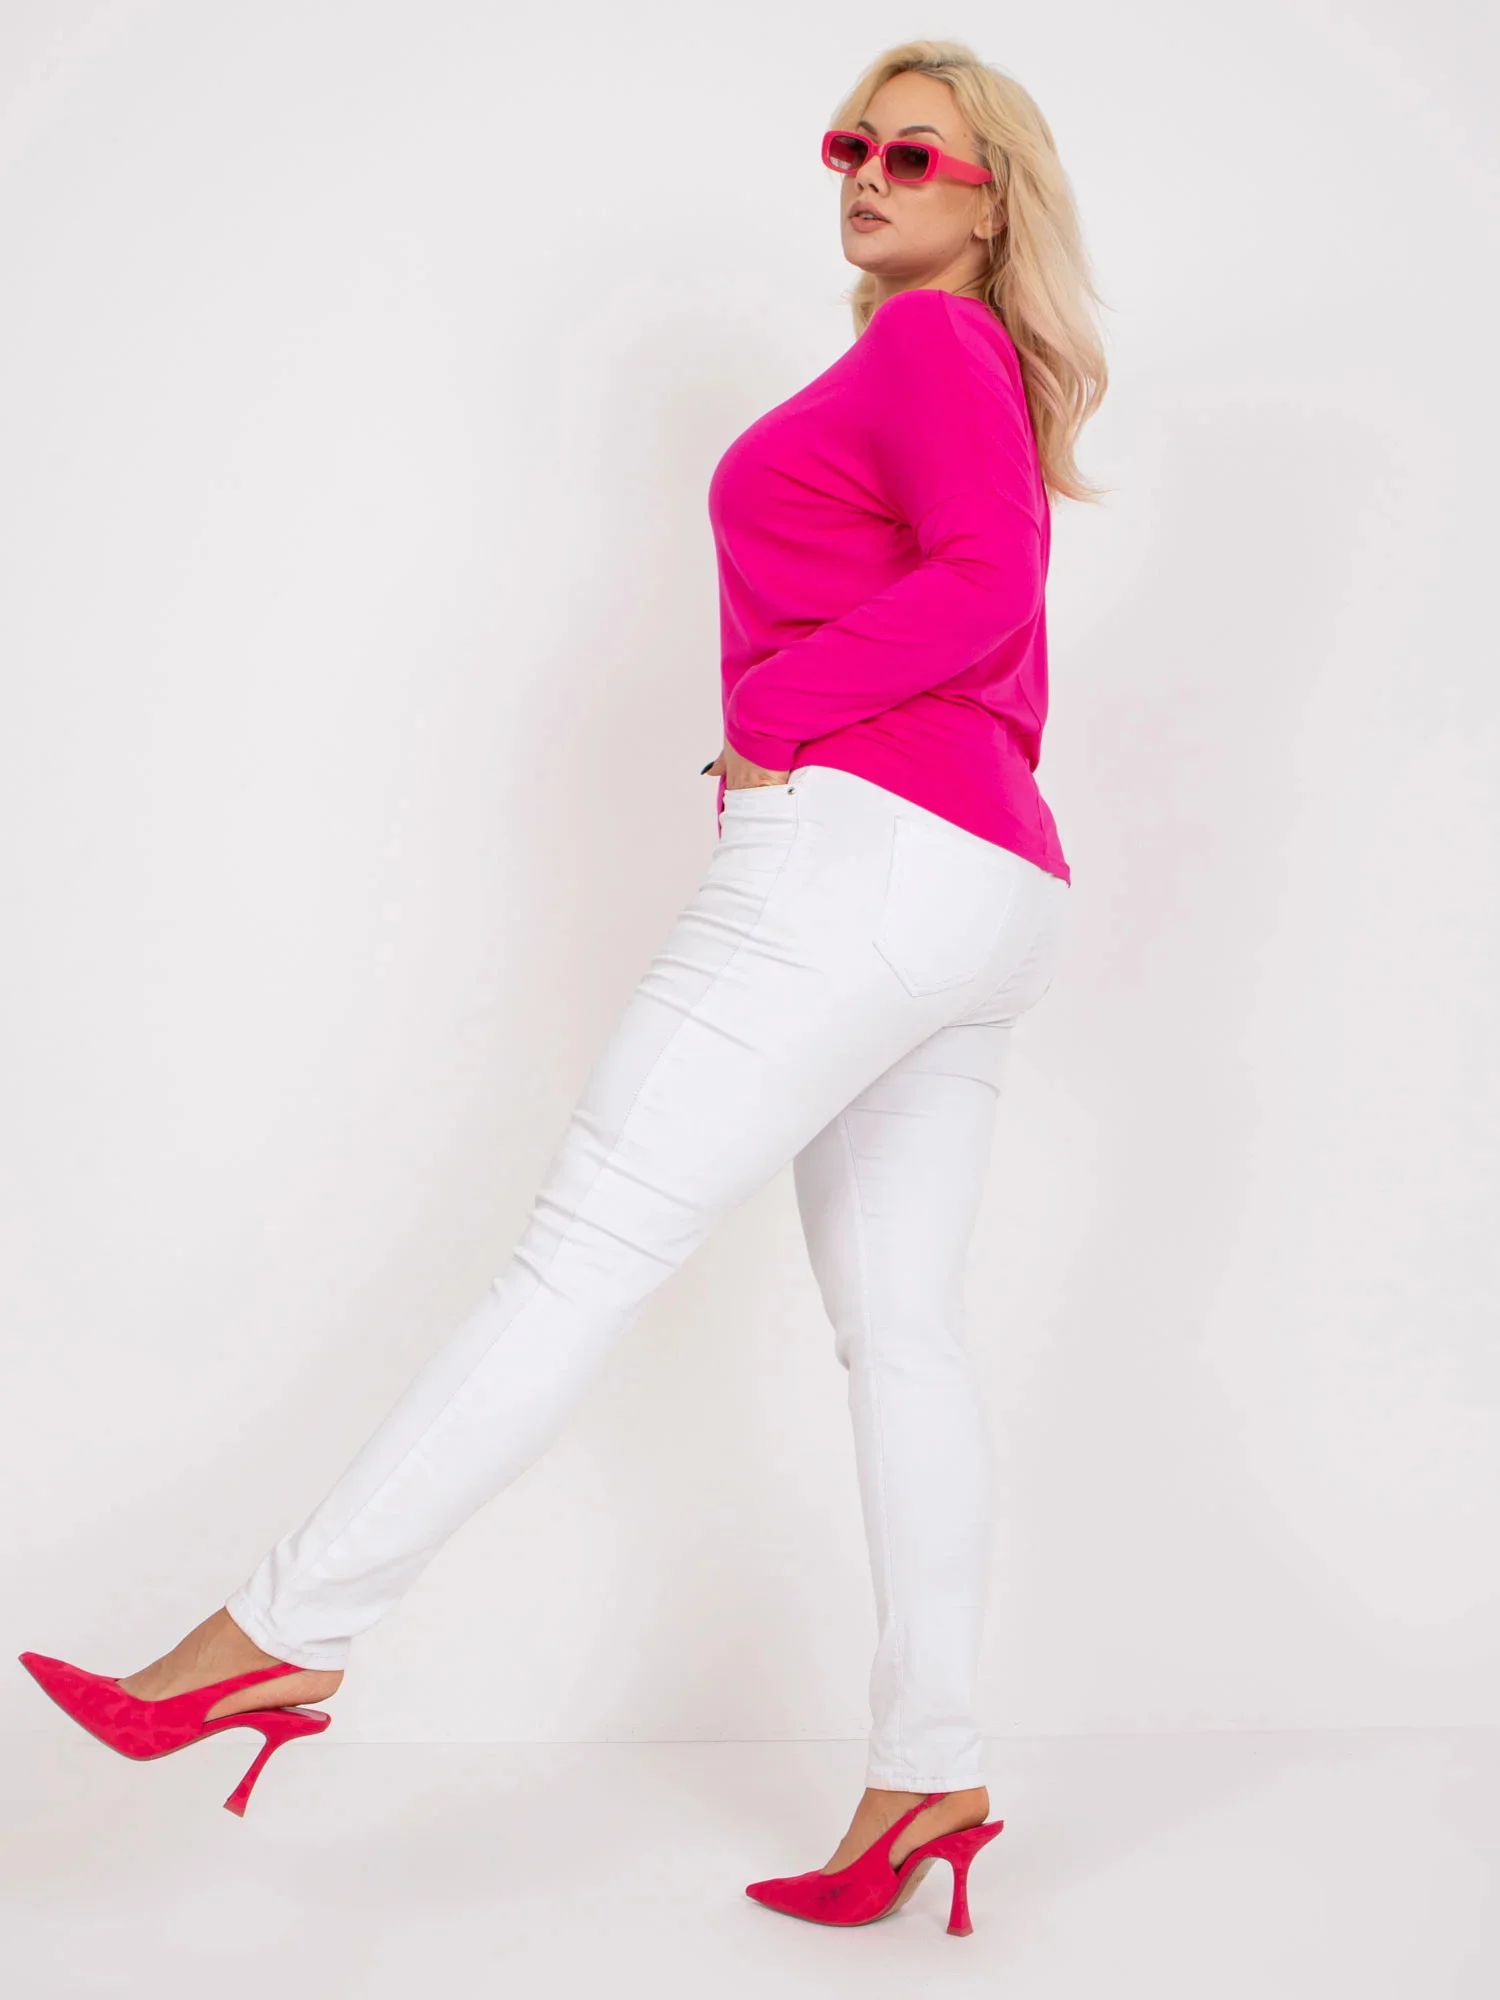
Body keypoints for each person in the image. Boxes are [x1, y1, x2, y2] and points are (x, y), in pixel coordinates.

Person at [20, 37, 1107, 1937]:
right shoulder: (958, 365)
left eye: (914, 154)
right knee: (905, 1341)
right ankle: (928, 1769)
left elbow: (985, 586)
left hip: (859, 858)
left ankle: (279, 1633)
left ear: (990, 193)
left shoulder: (934, 349)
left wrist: (771, 716)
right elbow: (988, 608)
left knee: (581, 1254)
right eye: (849, 144)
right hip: (985, 886)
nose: (867, 173)